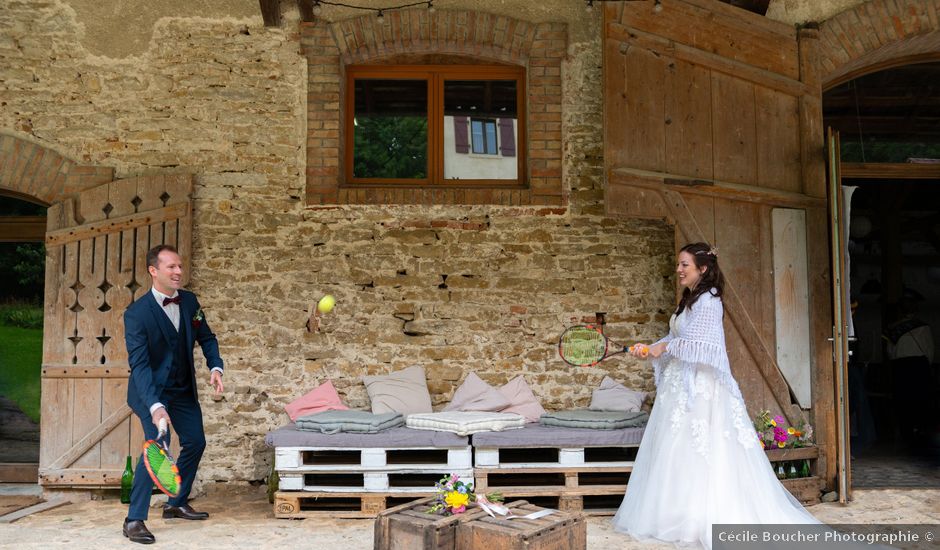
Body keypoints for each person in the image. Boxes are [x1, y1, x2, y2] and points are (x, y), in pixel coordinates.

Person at [612, 242, 817, 548]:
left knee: (701, 451)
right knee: (678, 452)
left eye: (685, 265)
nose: (679, 269)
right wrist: (651, 347)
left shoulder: (709, 300)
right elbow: (677, 336)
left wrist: (663, 348)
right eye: (679, 264)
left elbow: (704, 346)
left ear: (703, 269)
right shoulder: (689, 299)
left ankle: (703, 516)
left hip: (701, 390)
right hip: (680, 386)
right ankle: (678, 513)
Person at [122, 245, 225, 544]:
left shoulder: (190, 302)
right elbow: (139, 366)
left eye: (180, 266)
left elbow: (206, 337)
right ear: (153, 271)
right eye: (171, 267)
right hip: (150, 392)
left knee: (196, 441)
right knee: (157, 445)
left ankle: (175, 501)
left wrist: (216, 367)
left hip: (182, 389)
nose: (179, 271)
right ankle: (134, 519)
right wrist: (155, 407)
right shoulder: (137, 314)